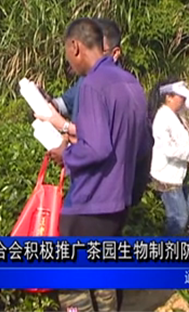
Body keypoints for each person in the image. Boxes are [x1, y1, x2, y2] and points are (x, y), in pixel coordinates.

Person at [47, 18, 151, 312]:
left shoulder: (92, 85)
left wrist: (64, 155)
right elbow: (143, 145)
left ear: (75, 46)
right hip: (117, 204)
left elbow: (97, 147)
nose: (69, 62)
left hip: (89, 203)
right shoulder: (129, 82)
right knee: (104, 280)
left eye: (68, 54)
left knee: (73, 286)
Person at [148, 78, 189, 236]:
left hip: (177, 175)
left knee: (187, 211)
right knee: (179, 217)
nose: (184, 100)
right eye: (181, 97)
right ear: (168, 97)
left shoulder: (177, 115)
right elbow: (170, 150)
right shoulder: (162, 118)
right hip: (167, 177)